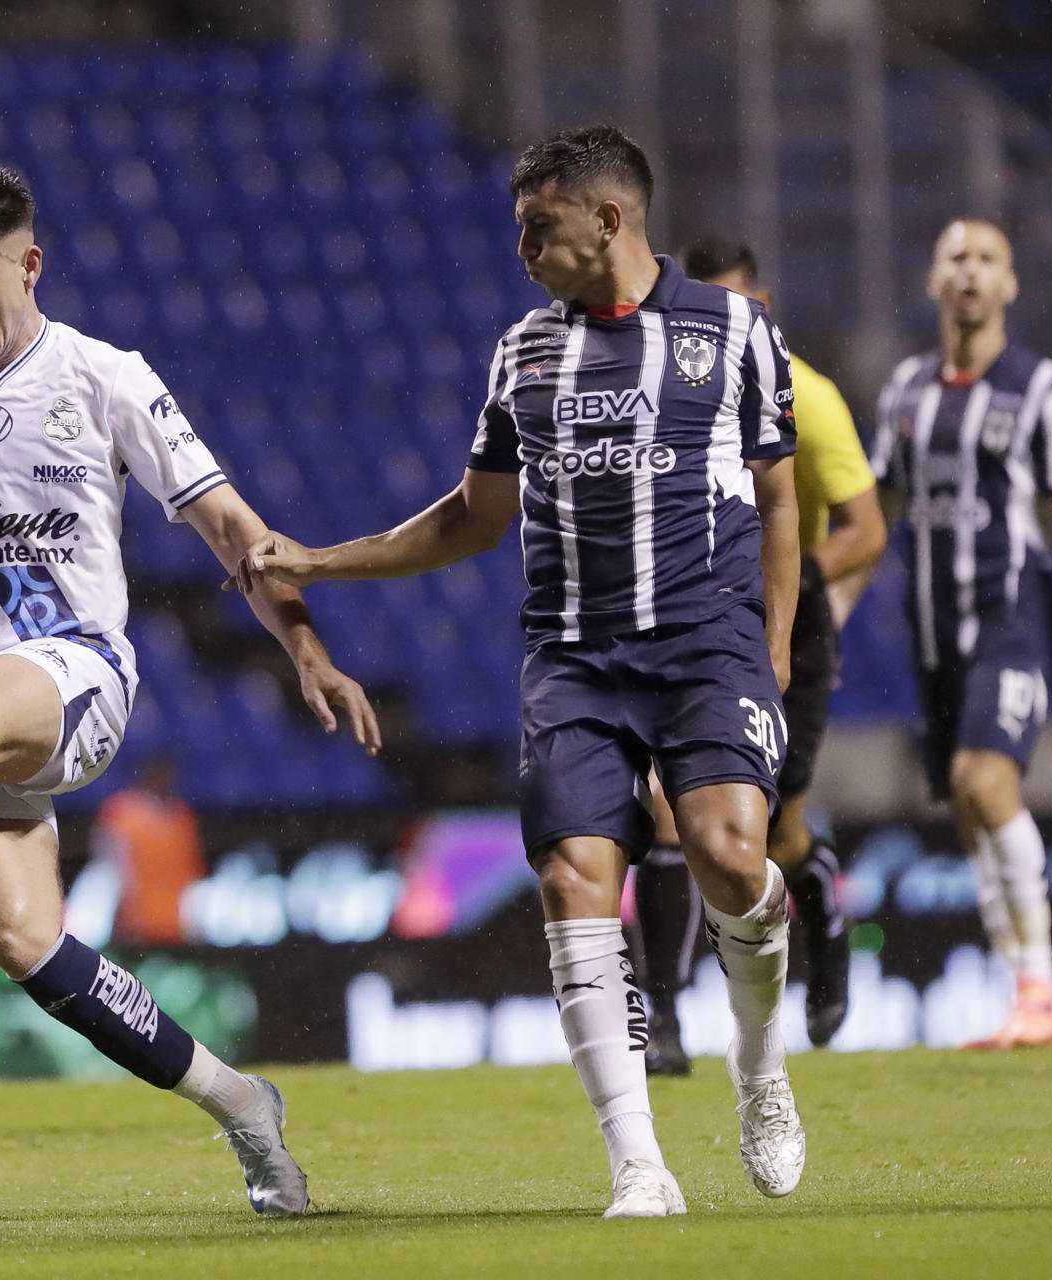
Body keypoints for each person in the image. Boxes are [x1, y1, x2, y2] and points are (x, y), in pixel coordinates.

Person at [0, 166, 380, 1217]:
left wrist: (306, 647)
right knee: (23, 940)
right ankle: (243, 1103)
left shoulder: (106, 377)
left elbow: (232, 528)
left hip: (78, 673)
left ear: (30, 264)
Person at [238, 126, 806, 1218]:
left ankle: (759, 1066)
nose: (523, 249)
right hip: (576, 659)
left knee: (735, 857)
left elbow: (779, 495)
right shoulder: (524, 353)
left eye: (538, 227)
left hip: (707, 645)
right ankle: (638, 1162)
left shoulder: (738, 333)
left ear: (609, 219)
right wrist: (320, 560)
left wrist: (774, 639)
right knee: (571, 881)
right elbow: (472, 515)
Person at [633, 236, 888, 1073]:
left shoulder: (806, 401)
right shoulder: (657, 392)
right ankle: (664, 1018)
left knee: (773, 833)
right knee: (674, 813)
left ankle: (825, 932)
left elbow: (867, 528)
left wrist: (791, 590)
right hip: (690, 620)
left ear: (762, 308)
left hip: (786, 620)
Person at [871, 218, 1052, 1049]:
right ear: (934, 282)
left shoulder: (1045, 390)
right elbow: (879, 515)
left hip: (1011, 621)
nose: (970, 272)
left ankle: (1042, 990)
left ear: (1010, 285)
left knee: (984, 781)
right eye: (955, 259)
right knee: (970, 816)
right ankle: (1024, 994)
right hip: (932, 634)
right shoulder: (904, 392)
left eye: (987, 260)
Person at [90, 756, 206, 947]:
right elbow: (110, 872)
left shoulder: (182, 816)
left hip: (176, 925)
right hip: (133, 925)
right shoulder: (121, 813)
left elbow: (192, 871)